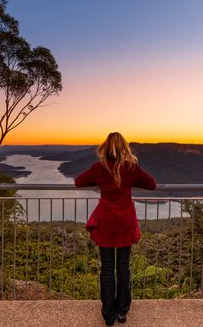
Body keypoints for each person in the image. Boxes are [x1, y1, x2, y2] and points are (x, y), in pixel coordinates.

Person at [74, 132, 156, 326]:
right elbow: (152, 184)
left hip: (106, 225)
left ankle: (108, 315)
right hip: (125, 225)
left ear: (105, 147)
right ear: (124, 148)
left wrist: (98, 180)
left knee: (107, 270)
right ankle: (122, 312)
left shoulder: (99, 168)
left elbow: (78, 181)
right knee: (123, 268)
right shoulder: (131, 168)